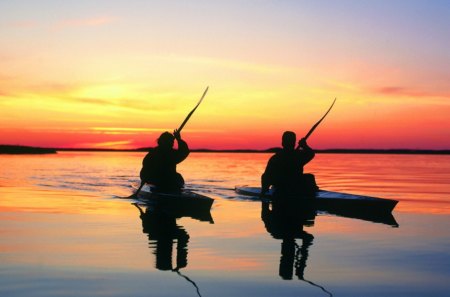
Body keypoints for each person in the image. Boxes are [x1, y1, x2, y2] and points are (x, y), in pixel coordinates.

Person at [261, 131, 317, 197]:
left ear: (282, 143)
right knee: (309, 177)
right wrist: (305, 146)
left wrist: (264, 190)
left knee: (309, 177)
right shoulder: (298, 155)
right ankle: (312, 192)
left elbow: (266, 176)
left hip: (284, 187)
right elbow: (311, 154)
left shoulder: (276, 158)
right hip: (291, 186)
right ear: (294, 143)